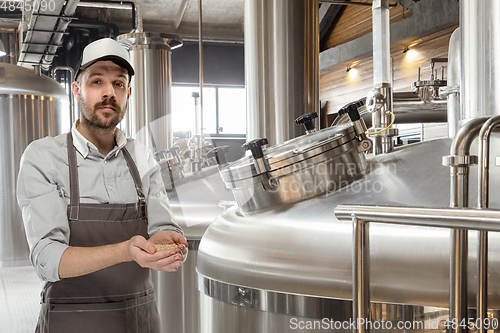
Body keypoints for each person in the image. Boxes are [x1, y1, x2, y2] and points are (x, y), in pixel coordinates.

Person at [16, 37, 188, 333]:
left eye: (118, 84)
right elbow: (47, 259)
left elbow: (162, 225)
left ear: (128, 93)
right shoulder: (43, 157)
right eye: (97, 81)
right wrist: (126, 251)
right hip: (70, 320)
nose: (109, 92)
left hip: (140, 319)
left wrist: (170, 242)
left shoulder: (142, 156)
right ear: (77, 90)